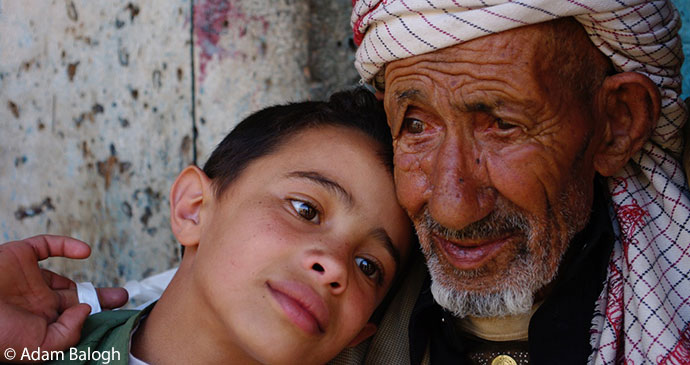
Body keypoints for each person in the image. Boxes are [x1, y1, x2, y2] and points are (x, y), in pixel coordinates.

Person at [335, 0, 689, 364]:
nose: (452, 209)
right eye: (416, 126)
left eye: (503, 126)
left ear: (616, 123)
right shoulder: (337, 322)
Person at [0, 88, 414, 364]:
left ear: (360, 333)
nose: (337, 266)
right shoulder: (45, 350)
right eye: (305, 210)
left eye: (368, 266)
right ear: (194, 208)